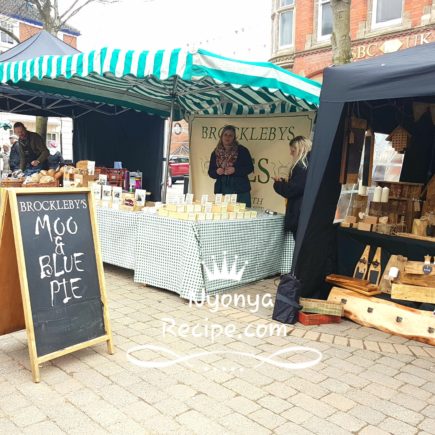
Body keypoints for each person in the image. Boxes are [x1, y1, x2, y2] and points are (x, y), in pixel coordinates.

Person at [272, 135, 312, 238]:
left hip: (300, 213)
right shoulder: (313, 164)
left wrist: (278, 184)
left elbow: (292, 190)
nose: (291, 154)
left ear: (299, 150)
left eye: (293, 151)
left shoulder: (301, 166)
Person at [208, 125, 254, 207]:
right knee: (224, 216)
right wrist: (216, 172)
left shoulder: (242, 150)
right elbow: (211, 172)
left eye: (230, 135)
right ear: (221, 136)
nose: (227, 137)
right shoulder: (215, 153)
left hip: (240, 191)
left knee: (244, 216)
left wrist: (235, 170)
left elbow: (250, 168)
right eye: (225, 134)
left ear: (234, 137)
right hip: (222, 191)